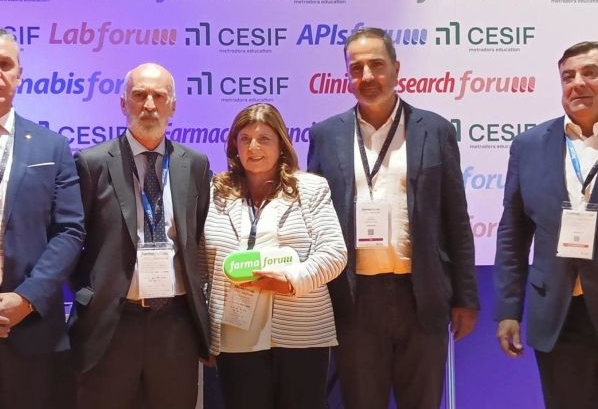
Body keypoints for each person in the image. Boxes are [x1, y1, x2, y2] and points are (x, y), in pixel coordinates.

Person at [307, 27, 479, 409]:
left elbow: (456, 219)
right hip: (354, 300)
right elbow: (314, 222)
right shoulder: (325, 136)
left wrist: (466, 296)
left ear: (396, 69)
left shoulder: (435, 130)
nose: (367, 76)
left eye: (376, 65)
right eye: (357, 68)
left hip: (421, 296)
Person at [69, 62, 211, 408]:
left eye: (159, 96)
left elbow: (196, 236)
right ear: (123, 103)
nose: (149, 105)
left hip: (175, 325)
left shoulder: (194, 164)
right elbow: (71, 240)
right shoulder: (92, 163)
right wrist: (90, 293)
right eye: (139, 95)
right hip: (112, 324)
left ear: (172, 106)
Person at [200, 103, 347, 409]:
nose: (253, 147)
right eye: (245, 139)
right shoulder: (216, 193)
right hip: (235, 334)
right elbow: (202, 265)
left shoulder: (310, 189)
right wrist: (206, 331)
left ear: (281, 144)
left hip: (301, 332)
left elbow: (334, 252)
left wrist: (291, 282)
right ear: (234, 146)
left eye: (264, 138)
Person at [494, 41, 598, 409]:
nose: (577, 83)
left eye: (590, 73)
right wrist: (509, 310)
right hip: (558, 311)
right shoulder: (529, 145)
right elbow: (512, 234)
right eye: (568, 76)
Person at [0, 28, 85, 408]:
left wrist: (26, 298)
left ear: (19, 75)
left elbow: (69, 231)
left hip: (30, 329)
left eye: (5, 65)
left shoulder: (52, 147)